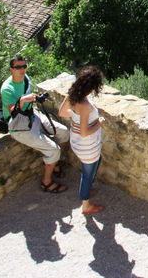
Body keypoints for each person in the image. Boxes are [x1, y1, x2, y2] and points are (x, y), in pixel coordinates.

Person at [0, 54, 69, 193]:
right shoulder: (7, 89)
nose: (22, 69)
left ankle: (52, 161)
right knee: (54, 149)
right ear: (11, 69)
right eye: (18, 67)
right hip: (19, 126)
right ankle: (47, 182)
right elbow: (13, 111)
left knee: (64, 132)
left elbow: (29, 100)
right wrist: (23, 100)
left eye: (24, 66)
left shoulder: (26, 79)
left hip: (32, 116)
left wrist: (36, 99)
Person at [58, 66, 106, 215]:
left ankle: (87, 188)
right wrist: (99, 123)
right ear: (91, 87)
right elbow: (85, 132)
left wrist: (75, 116)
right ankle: (86, 205)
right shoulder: (84, 105)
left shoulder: (72, 95)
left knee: (96, 162)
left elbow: (61, 112)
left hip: (76, 141)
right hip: (87, 145)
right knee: (87, 173)